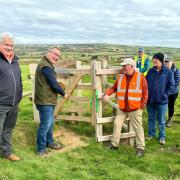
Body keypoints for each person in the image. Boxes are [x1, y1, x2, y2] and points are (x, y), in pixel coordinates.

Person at [102, 58, 148, 157]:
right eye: (122, 66)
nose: (123, 67)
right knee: (117, 123)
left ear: (131, 66)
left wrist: (142, 106)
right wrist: (107, 94)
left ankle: (140, 148)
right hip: (122, 108)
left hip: (135, 108)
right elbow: (113, 88)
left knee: (138, 128)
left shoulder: (140, 77)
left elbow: (145, 93)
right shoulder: (121, 77)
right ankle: (114, 144)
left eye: (125, 65)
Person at [34, 47, 68, 156]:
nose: (57, 58)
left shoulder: (46, 64)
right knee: (46, 124)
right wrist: (63, 93)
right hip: (45, 101)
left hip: (48, 100)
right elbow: (53, 83)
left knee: (50, 123)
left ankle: (50, 142)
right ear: (48, 53)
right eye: (55, 54)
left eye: (59, 56)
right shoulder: (46, 66)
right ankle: (41, 149)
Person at [0, 32, 22, 161]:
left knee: (8, 129)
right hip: (1, 103)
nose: (9, 47)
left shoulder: (15, 61)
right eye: (6, 44)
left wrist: (18, 96)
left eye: (11, 45)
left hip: (14, 103)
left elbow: (18, 80)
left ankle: (6, 152)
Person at [146, 53, 175, 145]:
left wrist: (165, 95)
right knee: (151, 118)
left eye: (156, 59)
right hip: (150, 100)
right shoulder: (150, 71)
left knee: (161, 120)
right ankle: (151, 134)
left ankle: (162, 136)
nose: (154, 61)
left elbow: (172, 85)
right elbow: (145, 83)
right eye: (153, 59)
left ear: (161, 60)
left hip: (162, 101)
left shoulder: (168, 71)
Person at [164, 56, 180, 127]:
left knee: (171, 105)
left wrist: (167, 91)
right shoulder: (163, 70)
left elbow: (176, 83)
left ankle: (170, 119)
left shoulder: (176, 71)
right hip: (164, 91)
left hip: (173, 93)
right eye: (165, 62)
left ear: (172, 62)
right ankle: (162, 120)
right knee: (163, 105)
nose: (166, 63)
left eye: (168, 62)